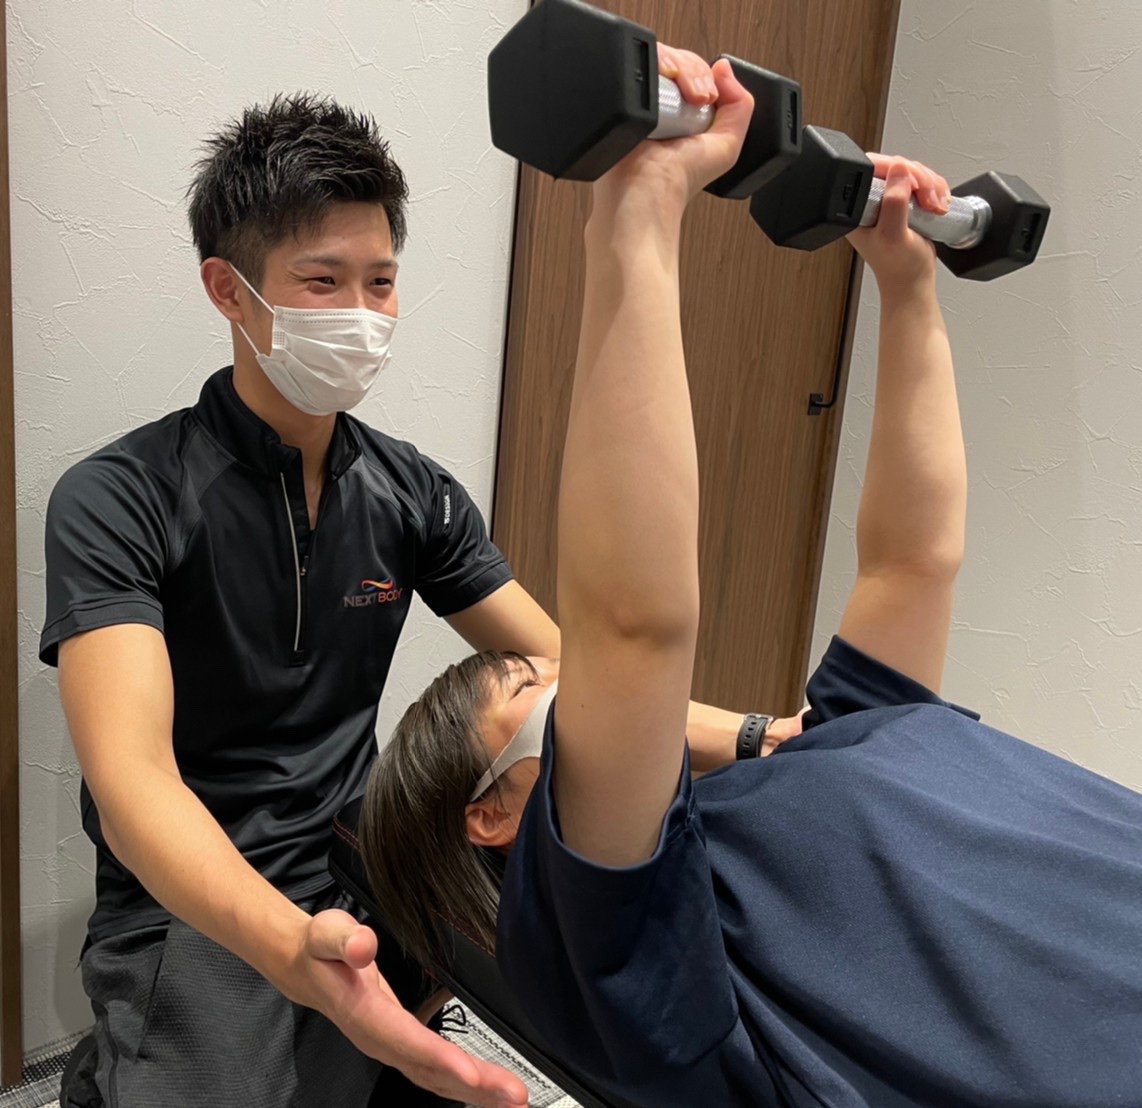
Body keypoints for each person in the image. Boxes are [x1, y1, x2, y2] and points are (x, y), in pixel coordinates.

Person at [360, 58, 1142, 1108]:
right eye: (535, 685)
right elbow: (630, 626)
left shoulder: (842, 734)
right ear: (493, 816)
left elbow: (911, 560)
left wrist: (904, 281)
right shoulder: (618, 964)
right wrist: (636, 211)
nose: (577, 687)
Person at [42, 54, 798, 1108]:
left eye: (381, 281)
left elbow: (573, 672)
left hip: (368, 853)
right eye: (322, 282)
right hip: (197, 893)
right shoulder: (119, 496)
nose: (361, 312)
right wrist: (285, 946)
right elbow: (134, 792)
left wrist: (758, 738)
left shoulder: (411, 492)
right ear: (227, 289)